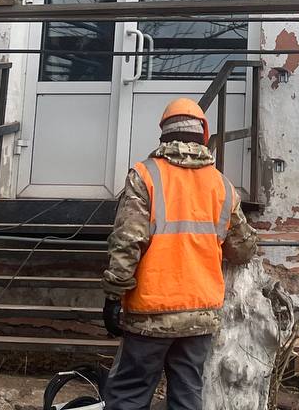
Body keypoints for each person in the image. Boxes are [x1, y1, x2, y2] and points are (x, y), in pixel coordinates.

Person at [101, 98, 258, 410]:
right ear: (203, 136)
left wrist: (113, 296)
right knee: (187, 396)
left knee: (130, 395)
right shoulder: (222, 185)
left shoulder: (145, 175)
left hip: (150, 312)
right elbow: (242, 250)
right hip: (200, 315)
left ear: (163, 135)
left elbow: (127, 243)